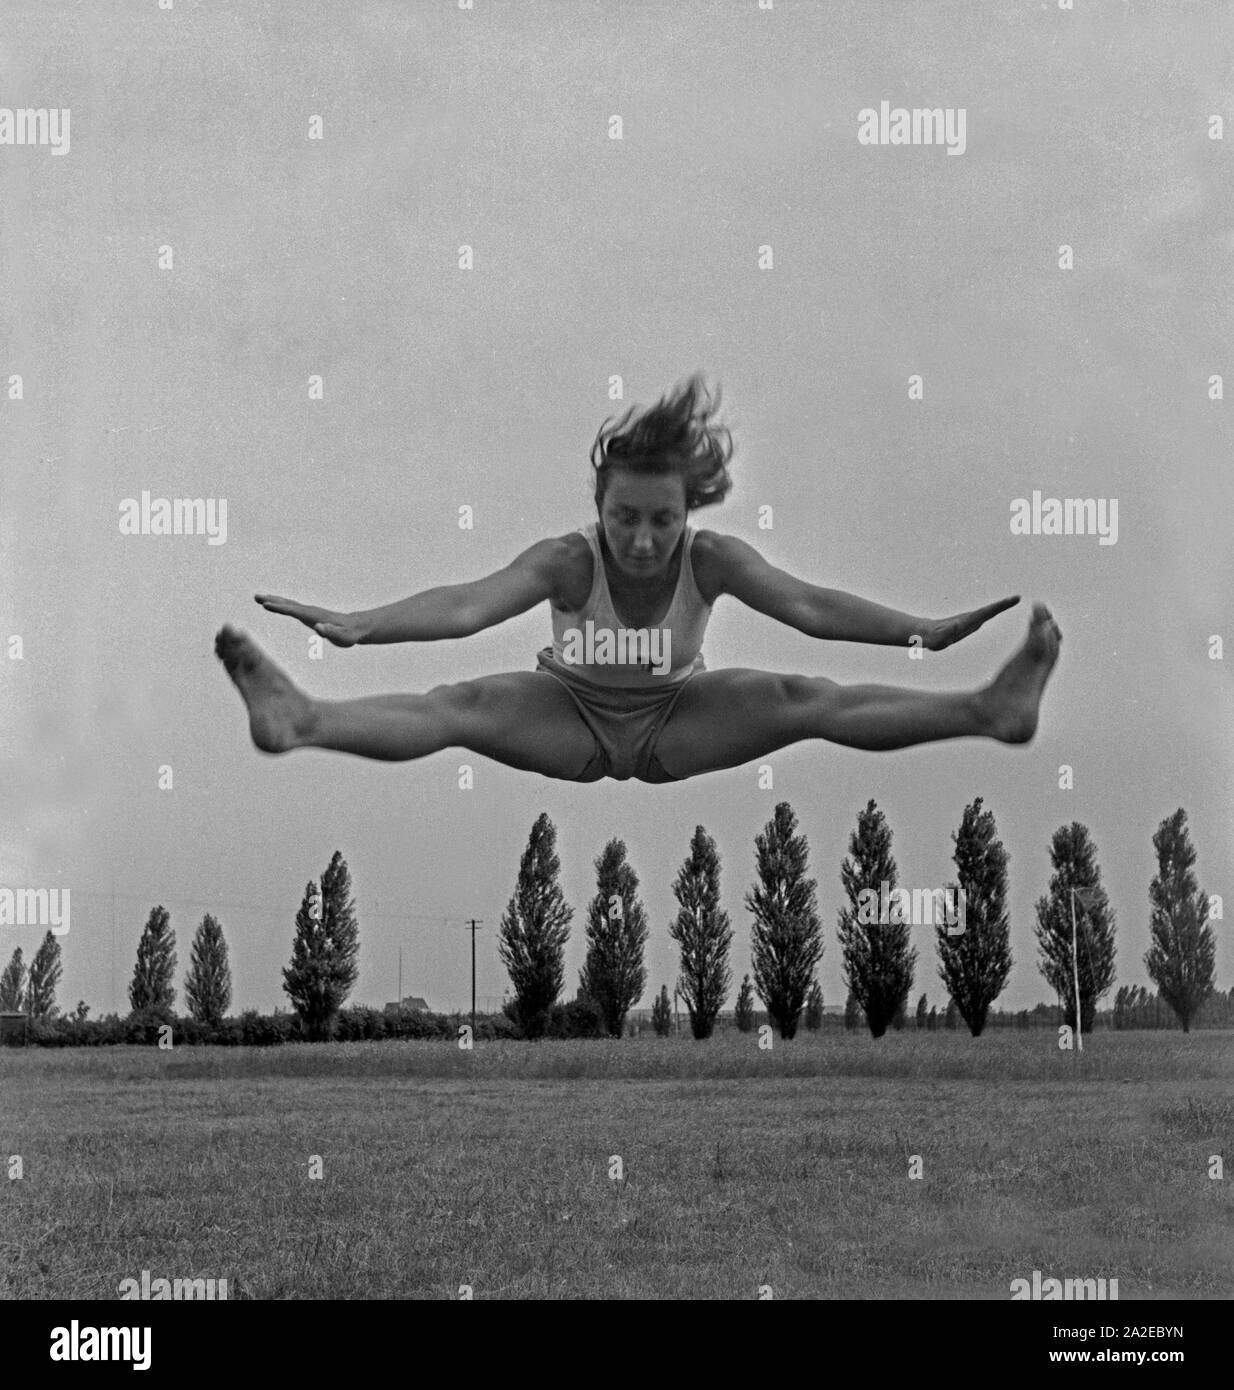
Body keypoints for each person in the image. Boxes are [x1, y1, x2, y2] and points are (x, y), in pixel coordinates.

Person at [216, 374, 1061, 783]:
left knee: (807, 698)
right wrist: (363, 625)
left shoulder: (713, 560)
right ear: (600, 504)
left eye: (664, 519)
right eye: (627, 518)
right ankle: (303, 719)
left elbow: (809, 607)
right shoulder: (568, 562)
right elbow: (470, 607)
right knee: (457, 708)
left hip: (673, 721)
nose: (647, 540)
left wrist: (925, 631)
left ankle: (988, 710)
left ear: (687, 512)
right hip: (572, 716)